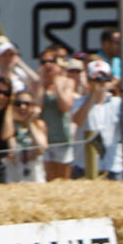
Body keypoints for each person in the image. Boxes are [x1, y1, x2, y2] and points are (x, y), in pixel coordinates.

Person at [71, 59, 123, 180]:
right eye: (96, 79)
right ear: (88, 80)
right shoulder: (79, 102)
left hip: (113, 167)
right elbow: (78, 121)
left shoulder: (118, 102)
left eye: (104, 78)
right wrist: (93, 95)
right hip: (85, 166)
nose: (100, 83)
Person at [37, 45, 76, 180]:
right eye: (43, 62)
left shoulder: (67, 82)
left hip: (62, 139)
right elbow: (37, 108)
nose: (47, 65)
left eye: (51, 61)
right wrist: (41, 84)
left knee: (63, 179)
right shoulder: (36, 85)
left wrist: (57, 85)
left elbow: (65, 107)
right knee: (48, 178)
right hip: (43, 141)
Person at [8, 91, 47, 183]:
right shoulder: (10, 126)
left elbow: (41, 149)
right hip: (16, 177)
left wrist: (29, 123)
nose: (22, 107)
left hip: (36, 177)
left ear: (33, 107)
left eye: (27, 104)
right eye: (18, 104)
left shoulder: (39, 125)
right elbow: (12, 151)